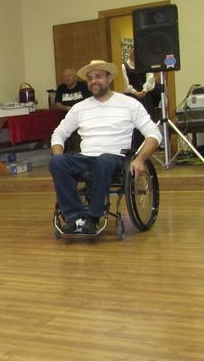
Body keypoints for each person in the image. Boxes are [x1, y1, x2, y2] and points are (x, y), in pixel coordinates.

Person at [49, 60, 162, 235]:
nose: (94, 81)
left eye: (98, 76)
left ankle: (94, 217)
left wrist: (140, 159)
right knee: (57, 162)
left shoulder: (129, 104)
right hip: (85, 158)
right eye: (90, 78)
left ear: (109, 78)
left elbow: (154, 134)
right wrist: (58, 155)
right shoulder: (79, 108)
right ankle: (75, 217)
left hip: (115, 159)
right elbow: (58, 134)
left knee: (104, 159)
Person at [122, 48, 163, 148]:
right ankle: (135, 148)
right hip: (131, 97)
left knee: (148, 120)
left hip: (145, 97)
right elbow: (124, 83)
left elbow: (150, 79)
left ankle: (148, 146)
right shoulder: (124, 66)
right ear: (130, 53)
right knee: (133, 122)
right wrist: (135, 92)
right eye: (133, 52)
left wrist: (144, 90)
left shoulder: (145, 65)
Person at [54, 67, 92, 151]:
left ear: (75, 77)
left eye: (69, 75)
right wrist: (68, 108)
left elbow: (90, 101)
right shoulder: (61, 88)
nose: (67, 78)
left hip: (83, 116)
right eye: (64, 76)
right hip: (67, 117)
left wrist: (77, 109)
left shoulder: (84, 86)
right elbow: (57, 104)